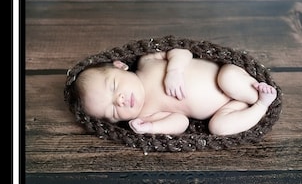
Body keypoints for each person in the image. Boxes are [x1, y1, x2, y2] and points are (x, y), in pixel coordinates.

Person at [74, 48, 277, 135]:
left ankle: (255, 94)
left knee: (228, 80)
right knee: (218, 128)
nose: (119, 100)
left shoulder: (147, 62)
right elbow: (182, 123)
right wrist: (152, 128)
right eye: (113, 112)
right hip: (226, 108)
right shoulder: (146, 114)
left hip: (227, 77)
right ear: (115, 122)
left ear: (120, 66)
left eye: (114, 87)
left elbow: (182, 52)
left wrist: (174, 71)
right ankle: (261, 105)